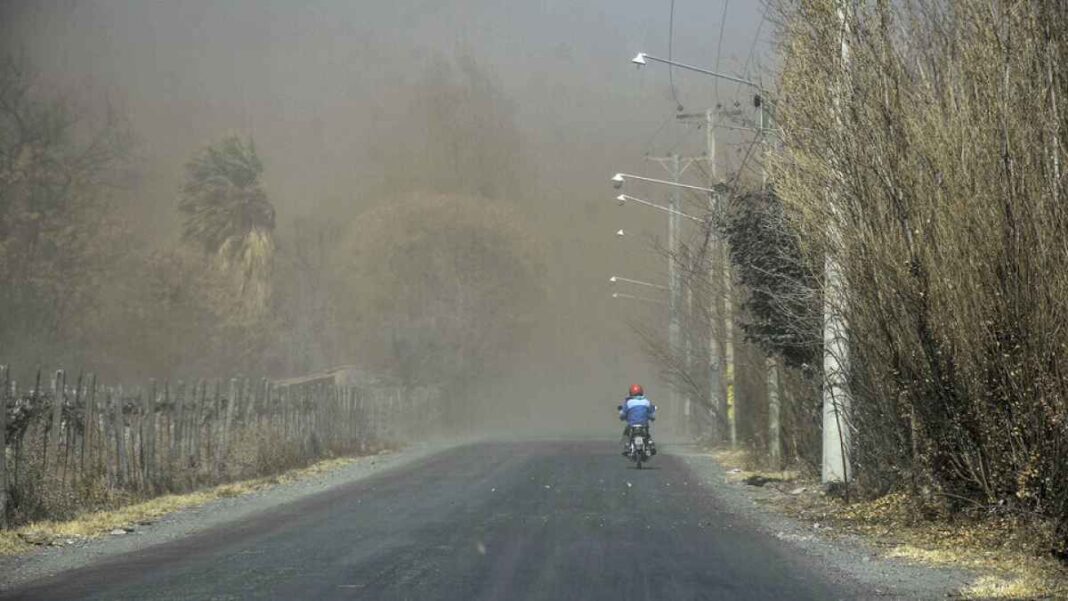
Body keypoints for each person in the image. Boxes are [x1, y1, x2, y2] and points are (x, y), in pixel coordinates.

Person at [619, 384, 657, 456]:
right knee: (647, 435)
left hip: (632, 424)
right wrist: (652, 418)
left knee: (627, 434)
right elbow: (652, 413)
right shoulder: (646, 401)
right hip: (644, 424)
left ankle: (626, 447)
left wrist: (623, 417)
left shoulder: (628, 402)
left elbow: (623, 414)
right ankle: (651, 445)